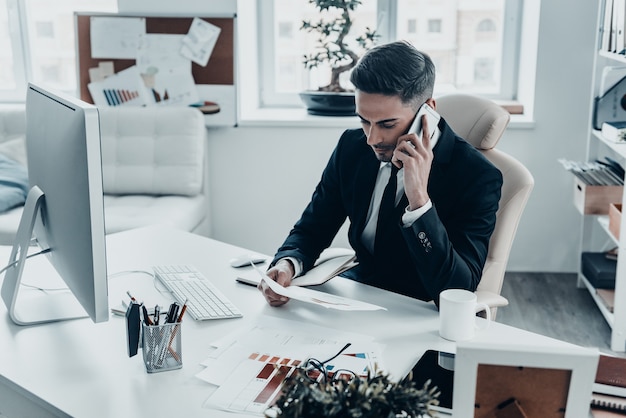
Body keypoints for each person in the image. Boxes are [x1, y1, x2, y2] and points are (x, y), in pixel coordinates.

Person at [258, 40, 503, 307]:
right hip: (356, 297)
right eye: (364, 120)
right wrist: (287, 264)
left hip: (420, 311)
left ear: (428, 111)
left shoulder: (477, 176)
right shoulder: (351, 147)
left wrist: (420, 202)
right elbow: (312, 228)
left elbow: (457, 290)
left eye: (387, 124)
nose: (372, 139)